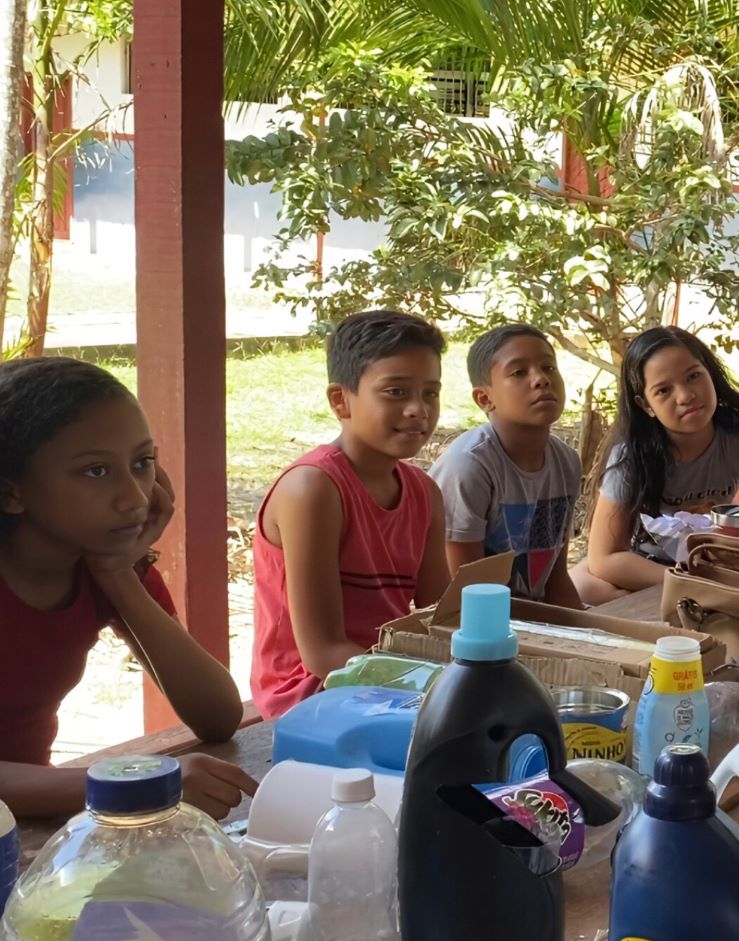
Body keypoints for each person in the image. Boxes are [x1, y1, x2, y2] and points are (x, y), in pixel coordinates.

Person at [0, 358, 257, 819]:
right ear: (11, 491)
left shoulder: (102, 561)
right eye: (96, 471)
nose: (135, 498)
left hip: (24, 825)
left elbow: (217, 715)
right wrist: (133, 784)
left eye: (142, 464)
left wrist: (118, 574)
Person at [253, 310, 451, 719]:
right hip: (312, 694)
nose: (418, 409)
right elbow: (322, 652)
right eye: (396, 392)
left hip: (391, 679)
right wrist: (438, 682)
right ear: (340, 401)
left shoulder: (424, 492)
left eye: (430, 393)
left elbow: (441, 620)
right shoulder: (313, 489)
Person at [571, 326, 739, 601]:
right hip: (645, 567)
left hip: (712, 565)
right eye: (663, 390)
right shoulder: (631, 456)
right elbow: (604, 558)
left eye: (693, 376)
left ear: (710, 373)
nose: (685, 396)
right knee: (580, 584)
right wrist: (686, 580)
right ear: (645, 405)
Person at [430, 324, 587, 609]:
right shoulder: (469, 467)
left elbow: (555, 579)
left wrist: (589, 631)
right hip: (477, 621)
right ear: (485, 399)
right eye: (519, 372)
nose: (541, 379)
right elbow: (465, 596)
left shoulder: (565, 462)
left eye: (549, 367)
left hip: (534, 617)